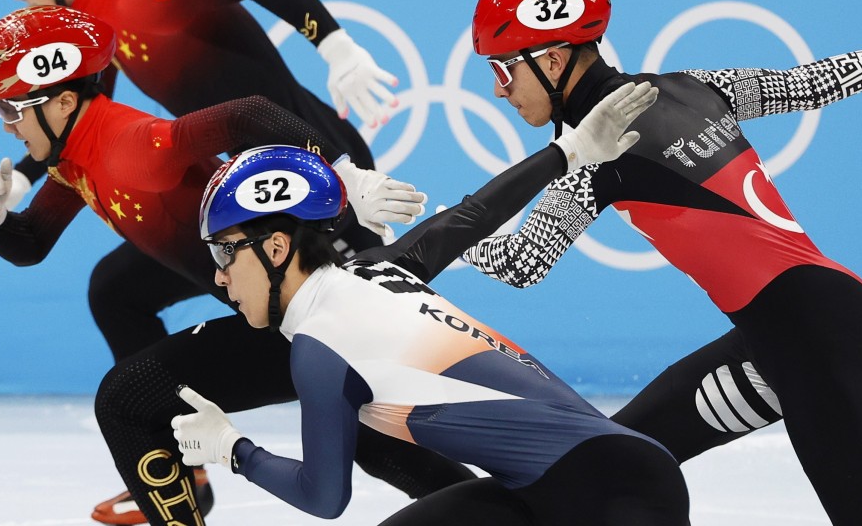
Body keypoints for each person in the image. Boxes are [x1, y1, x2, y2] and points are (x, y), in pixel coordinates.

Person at [0, 0, 428, 522]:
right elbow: (83, 98)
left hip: (312, 180)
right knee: (116, 289)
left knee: (365, 416)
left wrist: (336, 48)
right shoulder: (92, 10)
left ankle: (482, 497)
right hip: (253, 190)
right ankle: (177, 467)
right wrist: (19, 180)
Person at [463, 0, 862, 526]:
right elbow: (811, 83)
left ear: (551, 60)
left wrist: (435, 243)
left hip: (810, 336)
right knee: (612, 466)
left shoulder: (597, 151)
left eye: (504, 71)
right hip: (785, 335)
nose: (500, 92)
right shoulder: (693, 87)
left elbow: (522, 262)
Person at [107, 84, 687, 526]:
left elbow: (323, 496)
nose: (218, 274)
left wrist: (235, 450)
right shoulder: (381, 269)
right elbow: (472, 214)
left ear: (278, 247)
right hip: (595, 478)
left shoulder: (319, 349)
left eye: (226, 253)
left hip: (603, 492)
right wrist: (569, 150)